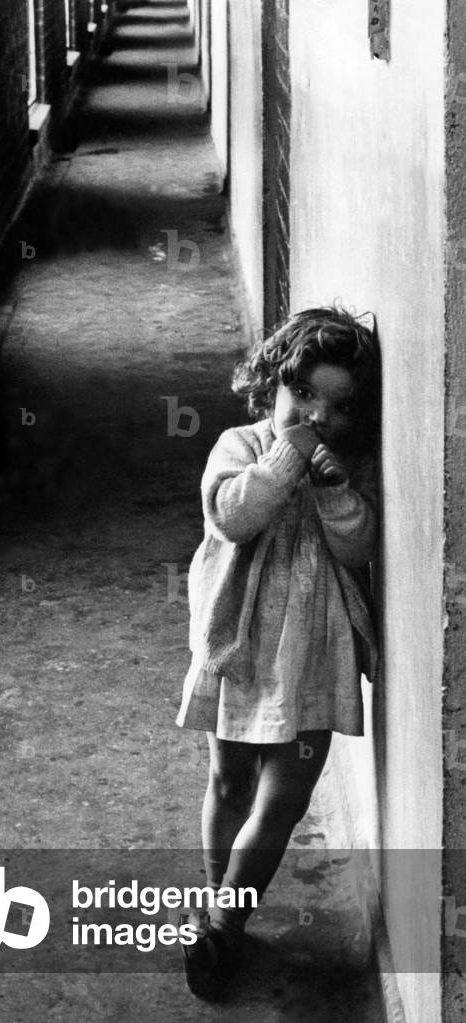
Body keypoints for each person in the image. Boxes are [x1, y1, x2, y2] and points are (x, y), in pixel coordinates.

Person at [176, 306, 382, 999]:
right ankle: (218, 904)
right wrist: (287, 455)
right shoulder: (240, 444)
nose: (317, 418)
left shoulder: (346, 471)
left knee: (284, 796)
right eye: (303, 399)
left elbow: (358, 548)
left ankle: (226, 925)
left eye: (338, 406)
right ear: (271, 390)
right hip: (241, 647)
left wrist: (331, 489)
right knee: (232, 782)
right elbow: (234, 514)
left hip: (315, 657)